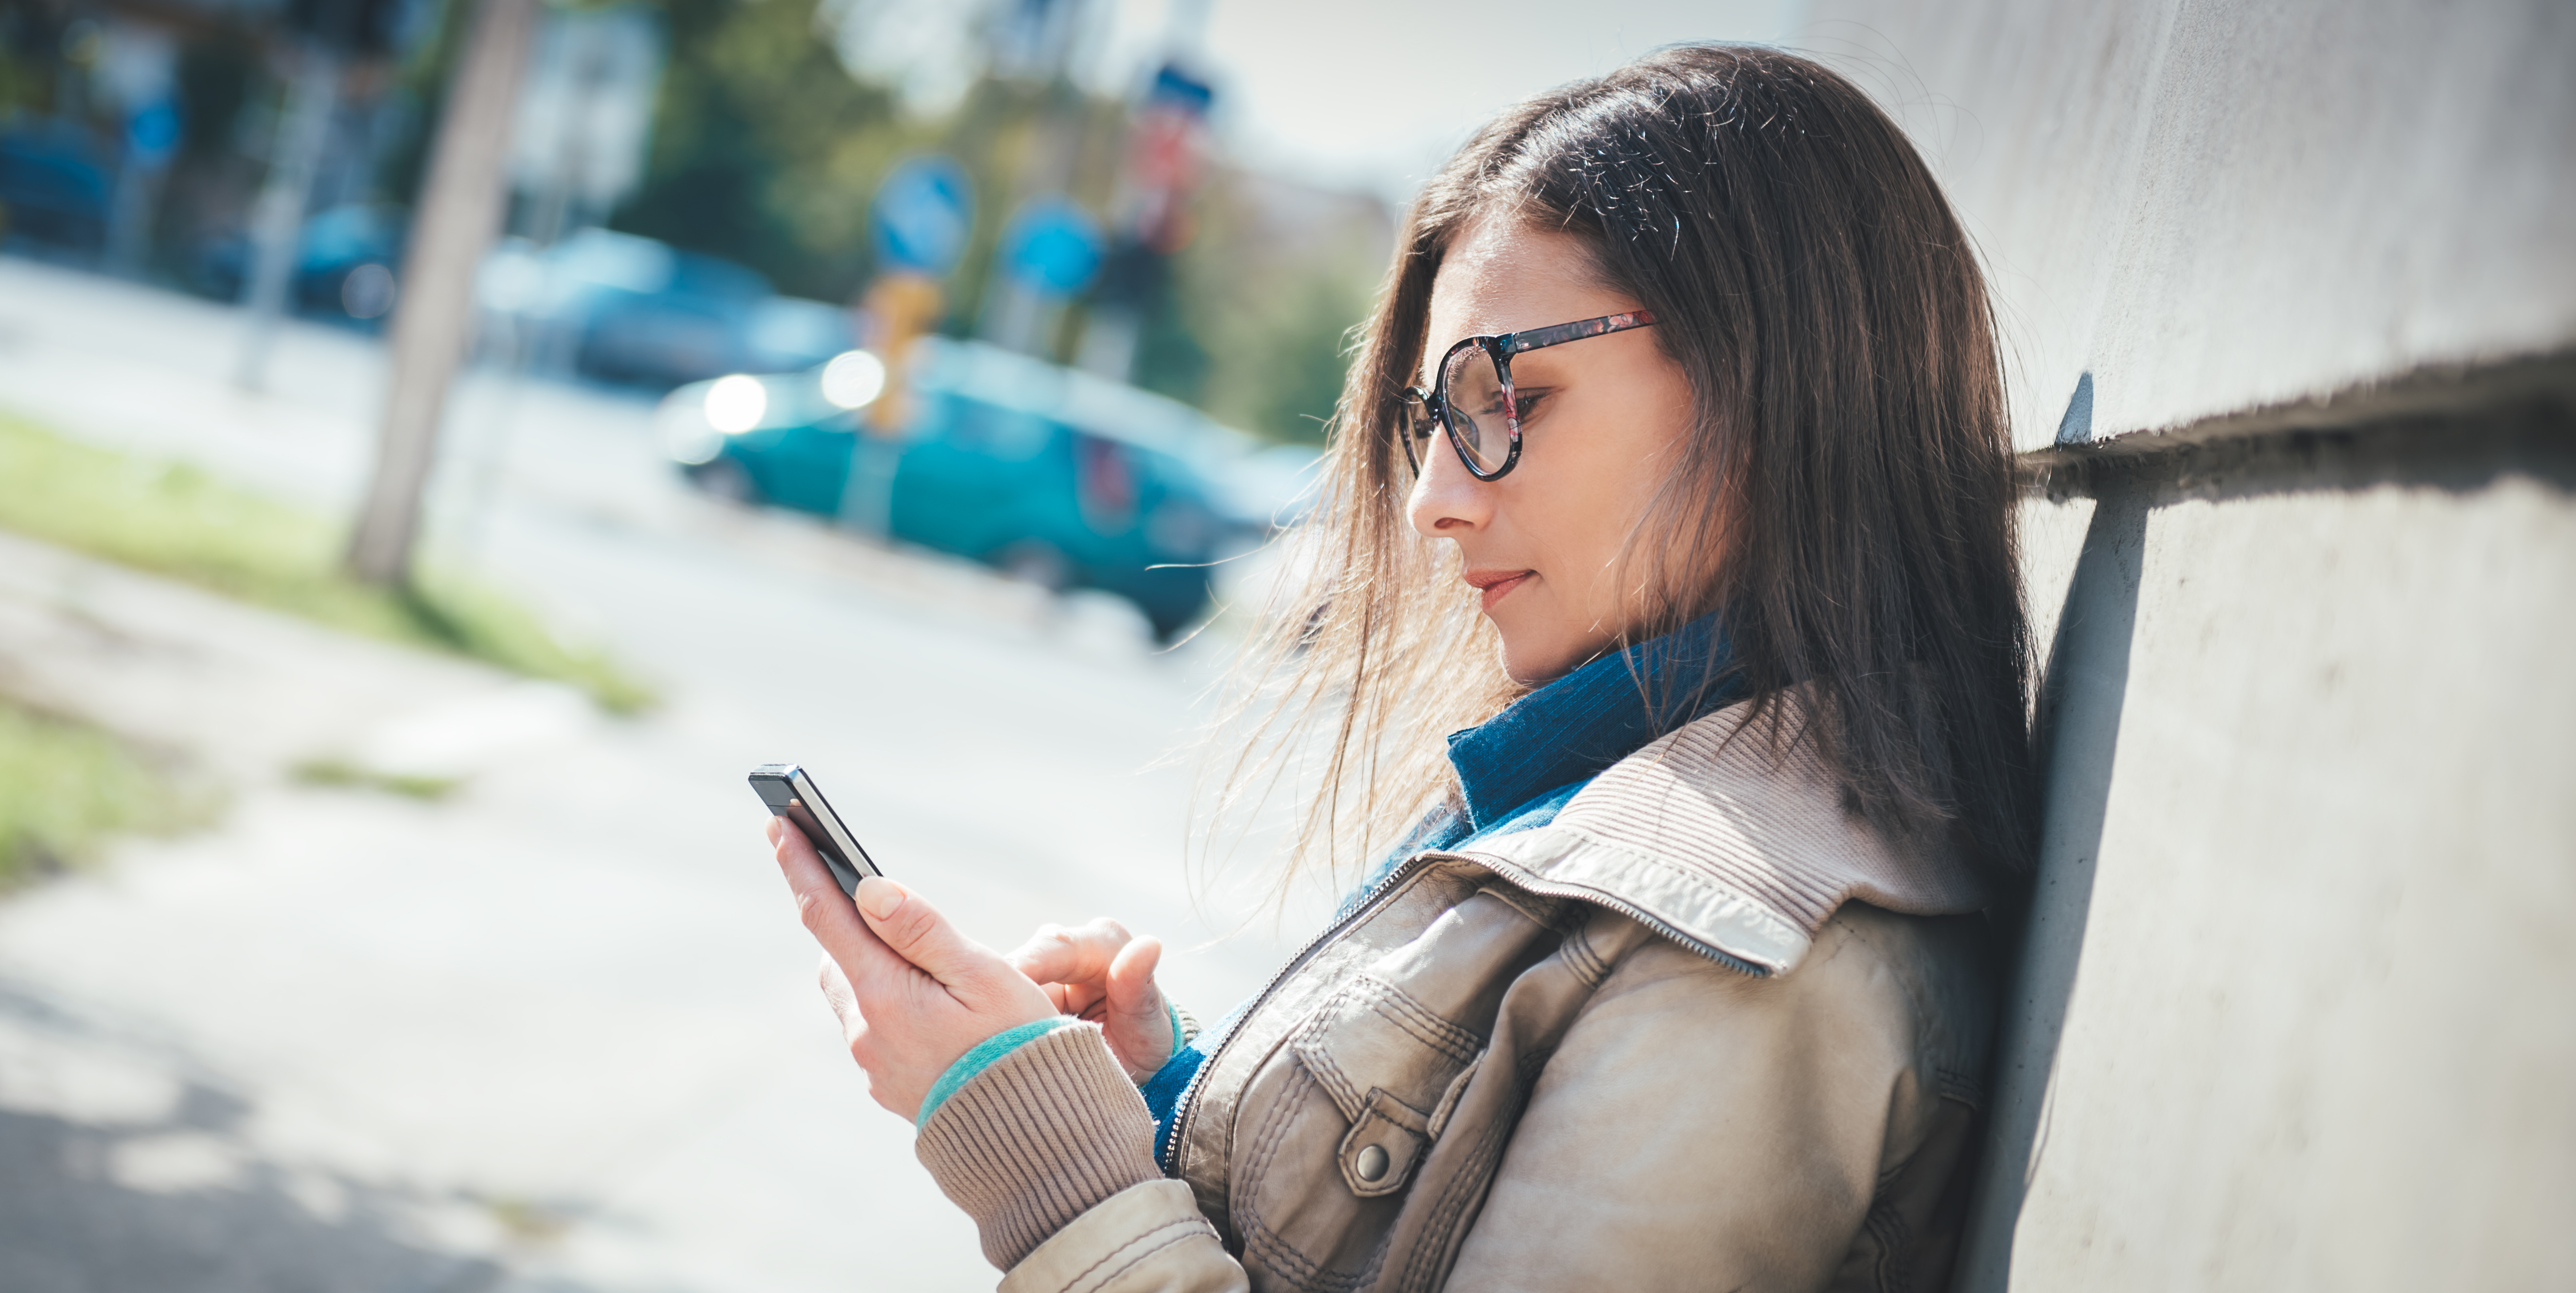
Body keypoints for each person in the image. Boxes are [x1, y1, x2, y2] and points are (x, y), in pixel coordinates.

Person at [765, 43, 2036, 1293]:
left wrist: (1044, 1152)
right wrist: (1162, 1094)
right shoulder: (1632, 795)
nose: (1433, 501)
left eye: (1512, 396)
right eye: (1434, 419)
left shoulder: (1752, 963)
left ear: (1776, 378)